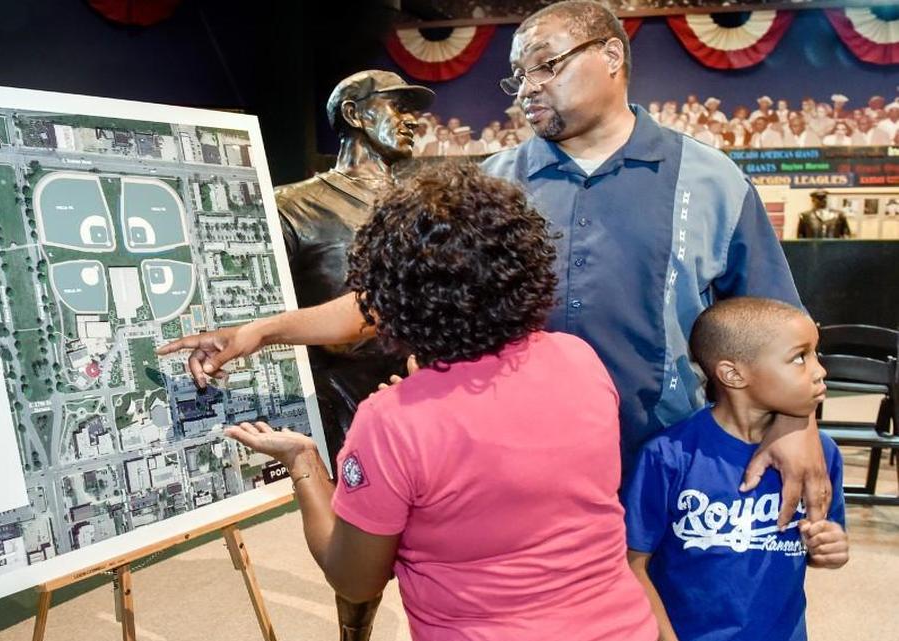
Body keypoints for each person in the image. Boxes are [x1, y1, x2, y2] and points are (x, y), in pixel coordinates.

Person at [160, 0, 833, 529]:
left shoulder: (711, 180)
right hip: (511, 469)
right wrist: (262, 330)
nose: (526, 89)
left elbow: (777, 327)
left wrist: (795, 424)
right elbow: (392, 302)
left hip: (664, 461)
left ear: (611, 56)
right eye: (518, 75)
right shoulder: (489, 185)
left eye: (546, 66)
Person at [225, 163, 657, 641]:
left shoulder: (391, 422)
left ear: (386, 294)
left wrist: (303, 461)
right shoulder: (578, 359)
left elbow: (354, 578)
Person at [270, 68, 434, 641]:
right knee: (359, 551)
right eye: (397, 106)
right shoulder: (292, 206)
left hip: (424, 394)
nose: (411, 120)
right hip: (344, 401)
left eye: (415, 109)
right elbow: (275, 308)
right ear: (356, 114)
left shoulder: (424, 203)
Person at [623, 297, 847, 641]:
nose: (820, 370)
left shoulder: (821, 454)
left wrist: (829, 548)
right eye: (800, 357)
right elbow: (633, 562)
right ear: (733, 375)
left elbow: (818, 546)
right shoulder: (667, 456)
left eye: (816, 354)